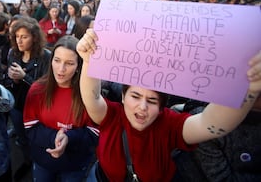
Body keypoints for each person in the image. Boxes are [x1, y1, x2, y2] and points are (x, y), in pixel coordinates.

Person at [77, 28, 261, 181]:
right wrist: (88, 61)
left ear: (161, 106)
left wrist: (249, 87)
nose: (142, 106)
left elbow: (211, 124)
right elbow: (91, 97)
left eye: (152, 100)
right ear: (123, 97)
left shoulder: (170, 125)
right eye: (135, 96)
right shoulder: (111, 116)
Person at [23, 35, 98, 181]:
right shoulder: (37, 89)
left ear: (78, 66)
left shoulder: (88, 93)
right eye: (57, 61)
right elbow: (30, 126)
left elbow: (94, 133)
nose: (61, 69)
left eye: (69, 63)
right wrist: (54, 137)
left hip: (74, 166)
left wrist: (69, 138)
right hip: (43, 162)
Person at [5, 16, 51, 179]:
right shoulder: (13, 54)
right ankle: (26, 162)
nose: (20, 41)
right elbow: (7, 82)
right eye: (17, 37)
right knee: (22, 138)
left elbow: (46, 88)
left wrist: (24, 76)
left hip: (37, 108)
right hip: (17, 106)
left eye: (24, 37)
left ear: (34, 37)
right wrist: (13, 79)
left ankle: (41, 166)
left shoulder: (46, 56)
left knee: (38, 140)